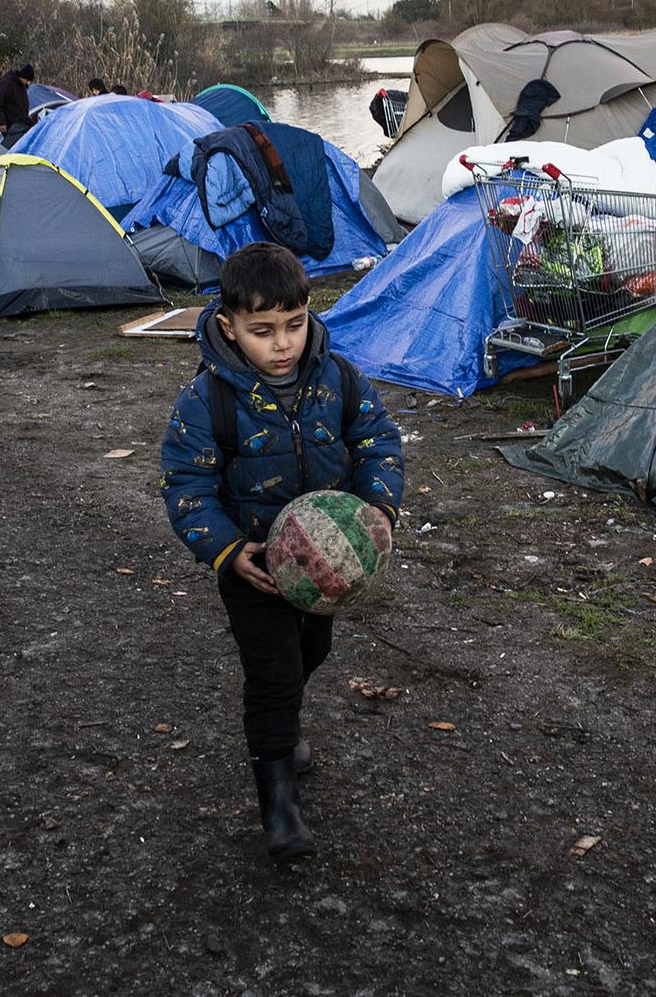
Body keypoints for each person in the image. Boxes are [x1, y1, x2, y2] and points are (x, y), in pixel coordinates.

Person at [159, 243, 404, 861]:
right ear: (228, 326)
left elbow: (378, 442)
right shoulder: (209, 400)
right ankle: (278, 800)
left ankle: (287, 725)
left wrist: (377, 509)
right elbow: (187, 485)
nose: (282, 344)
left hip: (326, 572)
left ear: (308, 313)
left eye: (293, 325)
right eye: (261, 331)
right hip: (256, 568)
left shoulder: (340, 380)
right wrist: (228, 549)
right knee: (272, 674)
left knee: (311, 650)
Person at [0, 62, 35, 148]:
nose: (28, 83)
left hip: (20, 125)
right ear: (24, 76)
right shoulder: (7, 84)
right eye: (28, 80)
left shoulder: (21, 86)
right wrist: (1, 122)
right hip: (10, 125)